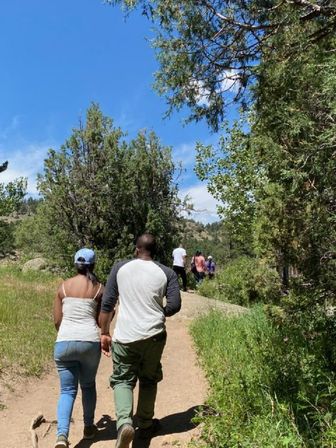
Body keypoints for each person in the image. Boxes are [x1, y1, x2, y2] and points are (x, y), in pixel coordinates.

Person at [99, 233, 181, 448]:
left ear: (137, 249)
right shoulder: (167, 273)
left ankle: (125, 423)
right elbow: (175, 305)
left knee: (123, 379)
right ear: (156, 251)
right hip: (154, 335)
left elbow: (107, 303)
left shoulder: (120, 268)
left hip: (125, 336)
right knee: (149, 378)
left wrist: (105, 332)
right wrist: (158, 312)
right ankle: (145, 424)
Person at [53, 248, 104, 448]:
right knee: (88, 385)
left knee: (66, 390)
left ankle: (61, 436)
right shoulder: (99, 288)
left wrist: (67, 333)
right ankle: (89, 427)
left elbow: (57, 321)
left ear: (76, 264)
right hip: (89, 342)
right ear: (93, 265)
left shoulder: (63, 287)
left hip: (64, 341)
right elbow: (101, 321)